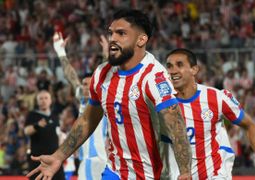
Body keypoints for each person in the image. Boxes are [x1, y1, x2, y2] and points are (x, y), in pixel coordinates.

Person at [27, 9, 192, 180]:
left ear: (141, 40)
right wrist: (58, 156)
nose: (113, 38)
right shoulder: (102, 73)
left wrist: (185, 172)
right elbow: (88, 119)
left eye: (121, 33)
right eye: (111, 33)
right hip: (114, 171)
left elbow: (177, 127)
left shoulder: (154, 78)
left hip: (152, 175)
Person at [164, 48, 255, 179]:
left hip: (214, 174)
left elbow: (249, 125)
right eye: (169, 66)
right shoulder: (161, 102)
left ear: (194, 70)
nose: (173, 71)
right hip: (179, 175)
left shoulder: (216, 98)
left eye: (179, 65)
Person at [53, 32, 115, 179]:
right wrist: (61, 52)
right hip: (85, 160)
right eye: (84, 84)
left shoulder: (102, 96)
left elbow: (107, 74)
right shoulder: (82, 98)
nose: (86, 87)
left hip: (102, 159)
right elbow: (71, 76)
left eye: (90, 84)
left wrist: (106, 53)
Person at [24, 90, 65, 180]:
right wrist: (37, 125)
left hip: (55, 159)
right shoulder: (32, 115)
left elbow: (59, 134)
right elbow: (26, 131)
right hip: (38, 160)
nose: (43, 100)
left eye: (46, 98)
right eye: (41, 98)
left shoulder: (55, 116)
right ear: (37, 101)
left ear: (50, 100)